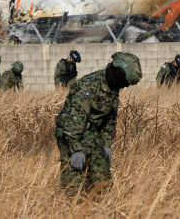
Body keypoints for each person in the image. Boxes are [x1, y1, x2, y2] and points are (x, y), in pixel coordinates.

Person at [54, 52, 143, 194]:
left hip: (92, 135)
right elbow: (73, 120)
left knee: (103, 183)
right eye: (125, 82)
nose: (124, 87)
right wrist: (76, 149)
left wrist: (106, 144)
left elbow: (109, 118)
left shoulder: (113, 88)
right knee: (74, 185)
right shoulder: (88, 86)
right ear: (118, 72)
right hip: (71, 135)